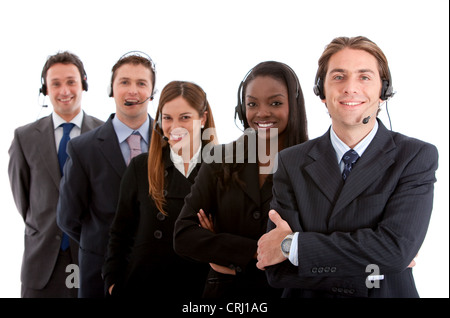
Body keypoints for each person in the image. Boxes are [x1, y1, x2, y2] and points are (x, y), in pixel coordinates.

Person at [256, 36, 438, 298]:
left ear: (383, 91)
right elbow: (278, 270)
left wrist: (294, 246)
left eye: (364, 77)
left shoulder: (415, 157)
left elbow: (396, 251)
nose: (350, 88)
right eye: (339, 76)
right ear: (321, 91)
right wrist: (375, 263)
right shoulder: (291, 161)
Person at [174, 61, 308, 298]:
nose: (262, 112)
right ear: (241, 109)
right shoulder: (219, 159)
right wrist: (257, 253)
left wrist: (220, 248)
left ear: (293, 106)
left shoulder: (314, 167)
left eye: (275, 103)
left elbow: (316, 250)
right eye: (252, 104)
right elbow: (184, 235)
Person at [102, 80, 218, 298]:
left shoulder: (223, 170)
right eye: (167, 118)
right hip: (142, 288)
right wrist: (113, 284)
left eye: (185, 117)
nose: (175, 127)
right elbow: (120, 235)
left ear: (202, 119)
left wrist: (213, 237)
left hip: (199, 290)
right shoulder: (140, 168)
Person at [56, 51, 155, 298]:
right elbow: (68, 218)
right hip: (98, 277)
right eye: (124, 82)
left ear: (152, 92)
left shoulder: (170, 144)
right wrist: (101, 243)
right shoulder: (82, 149)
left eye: (141, 83)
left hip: (160, 273)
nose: (133, 90)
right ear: (112, 89)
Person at [8, 51, 104, 298]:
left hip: (92, 258)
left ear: (83, 83)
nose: (64, 90)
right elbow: (24, 201)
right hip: (41, 263)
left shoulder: (106, 134)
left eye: (71, 81)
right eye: (56, 84)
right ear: (45, 89)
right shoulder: (24, 138)